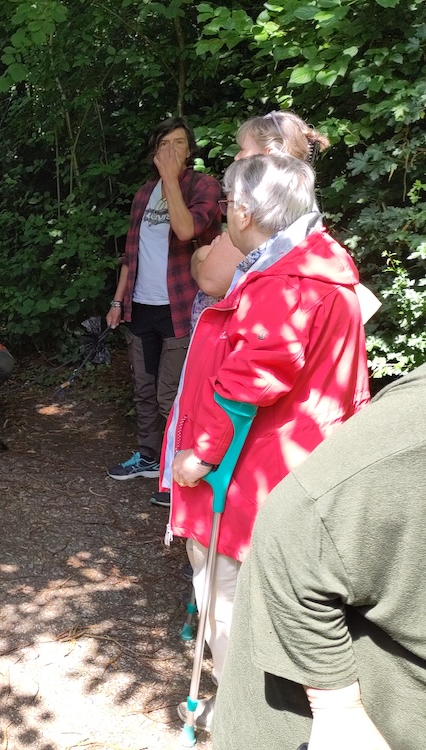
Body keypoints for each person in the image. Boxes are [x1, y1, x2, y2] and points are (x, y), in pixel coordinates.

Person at [164, 152, 370, 730]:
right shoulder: (319, 265)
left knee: (228, 597)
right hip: (304, 461)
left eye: (228, 203)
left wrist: (198, 456)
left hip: (256, 474)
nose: (226, 213)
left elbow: (250, 377)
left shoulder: (286, 283)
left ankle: (247, 722)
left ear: (245, 210)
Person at [212, 365, 426, 750]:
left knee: (227, 590)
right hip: (299, 468)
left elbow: (258, 375)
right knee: (228, 590)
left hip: (286, 464)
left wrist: (206, 449)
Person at [105, 117, 222, 507]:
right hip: (141, 305)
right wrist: (118, 300)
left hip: (180, 307)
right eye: (165, 144)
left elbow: (188, 231)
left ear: (189, 151)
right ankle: (149, 457)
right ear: (155, 151)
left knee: (171, 394)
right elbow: (131, 252)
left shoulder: (201, 187)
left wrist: (171, 180)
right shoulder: (143, 193)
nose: (172, 151)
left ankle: (181, 470)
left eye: (179, 144)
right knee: (143, 388)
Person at [189, 111, 330, 327]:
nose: (237, 157)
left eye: (243, 149)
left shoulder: (261, 217)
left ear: (268, 155)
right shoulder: (303, 210)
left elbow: (211, 280)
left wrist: (200, 254)